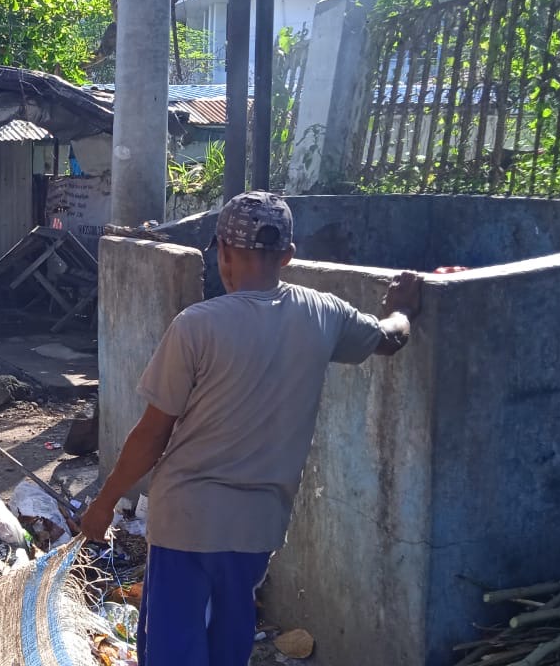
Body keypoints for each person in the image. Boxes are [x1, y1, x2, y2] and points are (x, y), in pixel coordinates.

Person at [80, 191, 422, 666]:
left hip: (186, 523)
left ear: (222, 251)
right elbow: (390, 338)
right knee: (229, 642)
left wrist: (103, 504)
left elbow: (152, 434)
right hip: (257, 527)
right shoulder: (323, 313)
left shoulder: (196, 326)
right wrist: (403, 308)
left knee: (173, 650)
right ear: (287, 255)